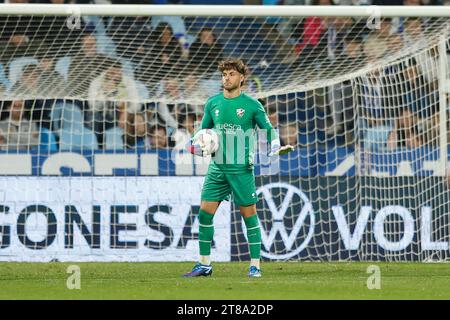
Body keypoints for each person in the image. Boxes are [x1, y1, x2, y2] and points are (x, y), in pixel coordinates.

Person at [183, 58, 294, 278]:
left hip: (241, 169)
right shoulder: (213, 103)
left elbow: (269, 129)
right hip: (218, 169)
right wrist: (194, 146)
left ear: (242, 78)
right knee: (204, 215)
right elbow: (202, 134)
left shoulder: (252, 105)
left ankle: (255, 265)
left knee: (249, 216)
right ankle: (204, 264)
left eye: (231, 74)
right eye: (224, 74)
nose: (227, 78)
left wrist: (275, 146)